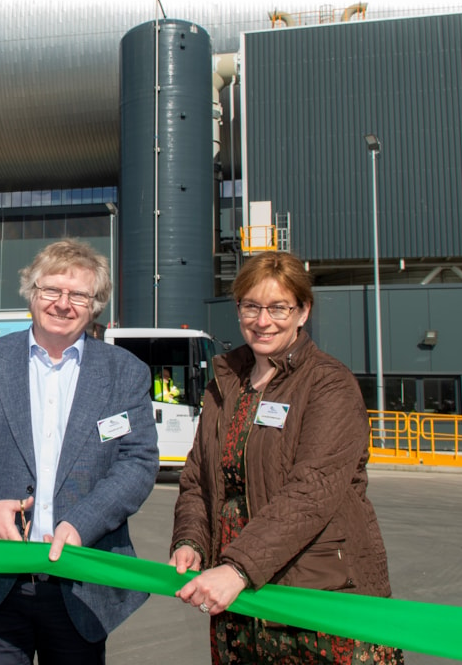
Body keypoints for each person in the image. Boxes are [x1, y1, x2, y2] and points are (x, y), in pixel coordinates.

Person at [0, 238, 159, 665]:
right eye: (51, 290)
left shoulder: (124, 372)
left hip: (80, 581)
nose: (63, 303)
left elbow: (138, 462)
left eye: (79, 294)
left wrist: (83, 523)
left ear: (96, 306)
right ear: (32, 294)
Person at [169, 251, 402, 664]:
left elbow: (313, 490)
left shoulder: (328, 383)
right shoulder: (226, 381)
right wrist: (192, 540)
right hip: (241, 596)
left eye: (278, 307)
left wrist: (238, 568)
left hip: (317, 596)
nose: (263, 321)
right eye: (251, 306)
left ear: (303, 311)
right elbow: (198, 477)